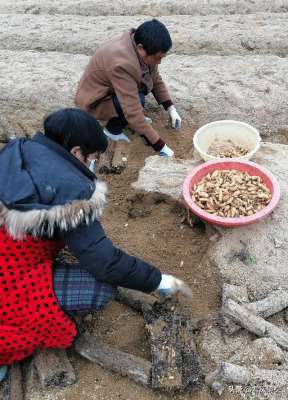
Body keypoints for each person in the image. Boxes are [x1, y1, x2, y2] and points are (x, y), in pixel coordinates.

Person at [0, 108, 190, 380]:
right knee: (99, 289)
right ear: (77, 152)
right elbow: (106, 263)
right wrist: (157, 280)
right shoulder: (70, 191)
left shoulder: (20, 154)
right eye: (92, 157)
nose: (93, 163)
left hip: (8, 252)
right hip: (8, 280)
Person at [75, 19, 182, 157]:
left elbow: (155, 78)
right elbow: (133, 112)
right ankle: (113, 131)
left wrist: (170, 108)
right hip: (95, 98)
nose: (159, 62)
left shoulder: (142, 45)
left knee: (140, 96)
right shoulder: (122, 63)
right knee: (138, 101)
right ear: (141, 48)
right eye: (157, 58)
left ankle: (125, 122)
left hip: (113, 87)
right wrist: (161, 147)